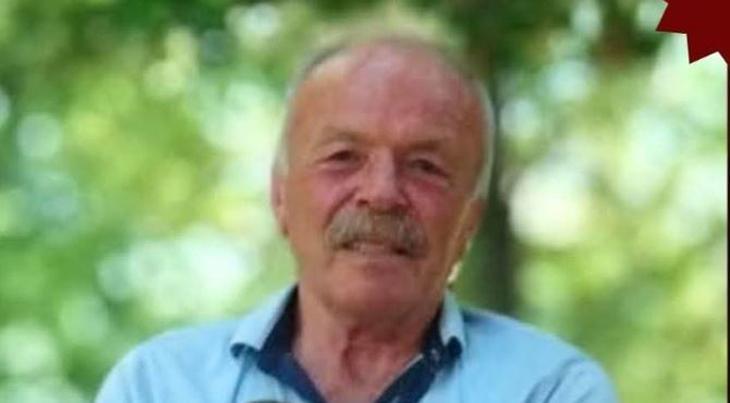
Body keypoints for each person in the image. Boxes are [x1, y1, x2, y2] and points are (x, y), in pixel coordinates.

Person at [96, 36, 617, 403]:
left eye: (425, 166)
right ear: (280, 197)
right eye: (343, 157)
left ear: (469, 223)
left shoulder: (550, 390)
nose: (382, 193)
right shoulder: (159, 386)